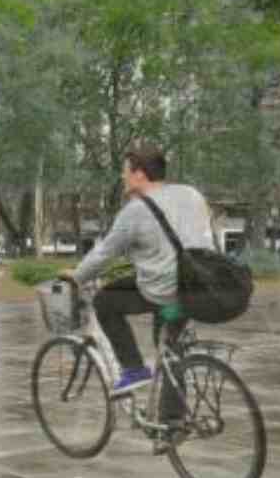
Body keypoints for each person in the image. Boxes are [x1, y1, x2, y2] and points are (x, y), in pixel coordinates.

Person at [64, 144, 216, 396]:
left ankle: (134, 369)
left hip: (163, 289)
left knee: (104, 301)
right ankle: (173, 421)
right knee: (170, 348)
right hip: (196, 286)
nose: (122, 177)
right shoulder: (191, 194)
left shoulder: (135, 210)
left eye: (125, 171)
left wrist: (76, 276)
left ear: (139, 174)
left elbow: (104, 254)